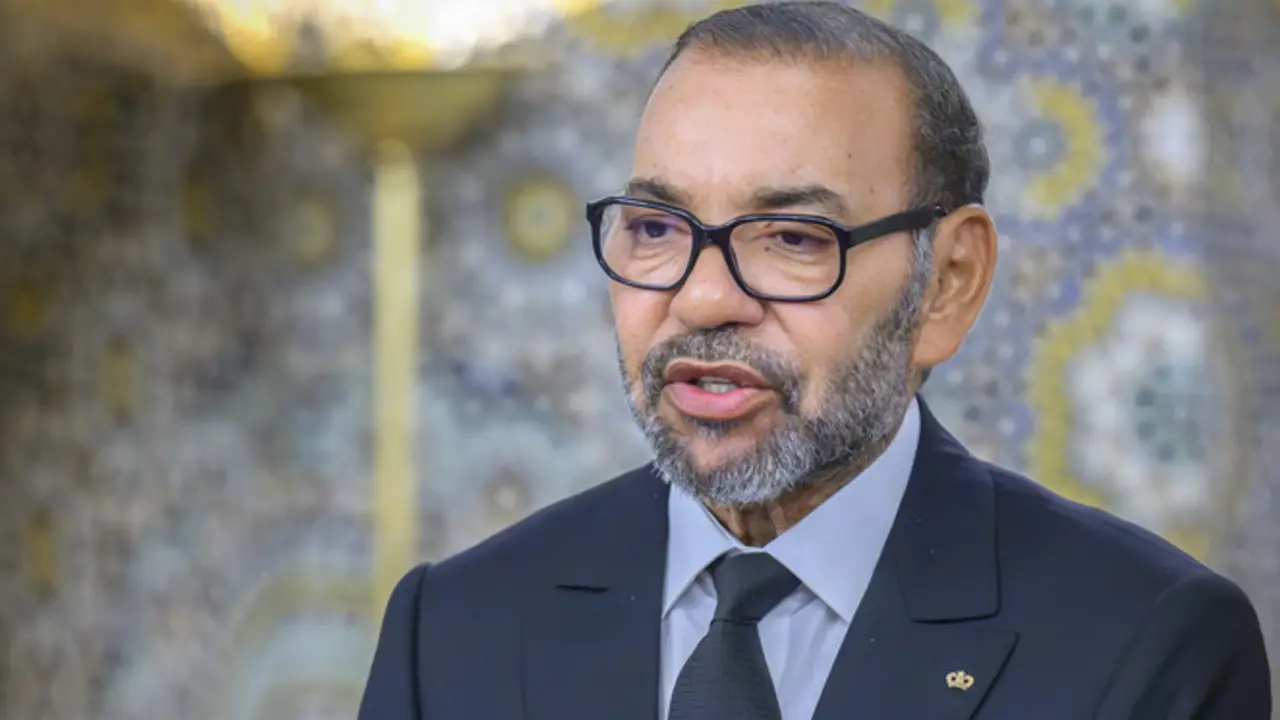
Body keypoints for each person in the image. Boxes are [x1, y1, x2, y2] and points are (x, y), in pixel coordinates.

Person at [358, 3, 1272, 718]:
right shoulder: (454, 629)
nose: (703, 299)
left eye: (793, 238)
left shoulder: (1145, 643)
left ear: (948, 283)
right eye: (656, 228)